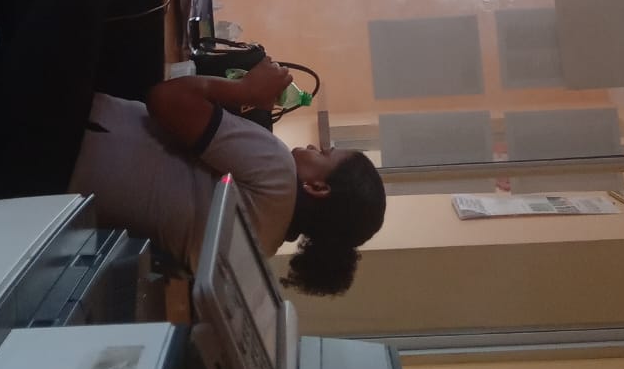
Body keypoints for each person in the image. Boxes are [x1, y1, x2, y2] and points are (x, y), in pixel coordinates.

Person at [69, 59, 387, 297]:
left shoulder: (278, 171)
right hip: (65, 200)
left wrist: (246, 90)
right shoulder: (258, 249)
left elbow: (166, 100)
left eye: (324, 155)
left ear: (317, 187)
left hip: (76, 136)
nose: (313, 147)